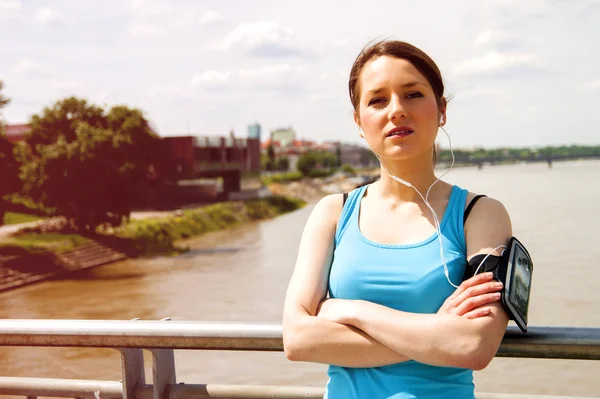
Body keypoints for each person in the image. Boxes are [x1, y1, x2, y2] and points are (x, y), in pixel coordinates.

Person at [282, 40, 512, 399]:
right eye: (377, 100)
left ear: (441, 110)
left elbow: (474, 346)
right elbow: (297, 339)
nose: (397, 110)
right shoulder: (333, 212)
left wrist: (351, 310)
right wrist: (438, 333)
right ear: (359, 122)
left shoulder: (479, 214)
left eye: (413, 94)